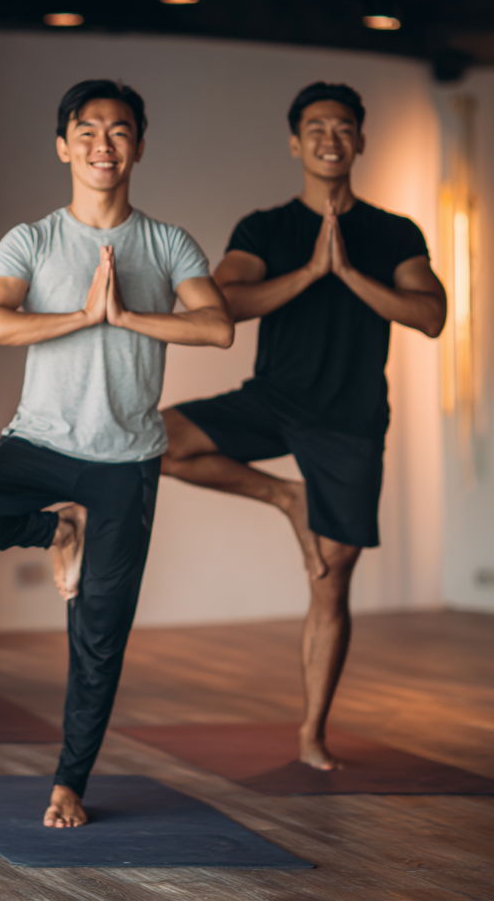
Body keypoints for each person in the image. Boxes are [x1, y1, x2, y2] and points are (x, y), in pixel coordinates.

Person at [0, 79, 234, 828]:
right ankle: (56, 529)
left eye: (119, 132)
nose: (103, 146)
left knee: (98, 631)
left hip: (127, 462)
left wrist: (127, 315)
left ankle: (69, 782)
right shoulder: (32, 239)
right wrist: (82, 317)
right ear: (63, 147)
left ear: (139, 147)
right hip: (39, 445)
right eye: (87, 132)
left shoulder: (167, 242)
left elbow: (216, 327)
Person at [160, 82, 447, 770]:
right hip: (276, 398)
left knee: (332, 578)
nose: (329, 137)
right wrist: (312, 270)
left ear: (360, 141)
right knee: (155, 436)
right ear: (296, 143)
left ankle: (312, 733)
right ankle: (285, 498)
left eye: (343, 126)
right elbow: (223, 301)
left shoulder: (393, 232)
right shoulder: (268, 228)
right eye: (316, 126)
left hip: (349, 419)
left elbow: (430, 314)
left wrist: (348, 273)